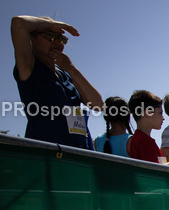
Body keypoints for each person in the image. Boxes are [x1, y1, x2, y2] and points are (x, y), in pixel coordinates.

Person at [10, 15, 104, 149]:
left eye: (62, 39)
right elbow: (18, 23)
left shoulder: (65, 73)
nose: (57, 43)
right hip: (49, 158)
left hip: (79, 156)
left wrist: (71, 69)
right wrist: (51, 23)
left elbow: (98, 105)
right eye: (50, 37)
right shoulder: (30, 68)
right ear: (32, 39)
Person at [125, 90, 169, 166]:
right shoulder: (143, 141)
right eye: (160, 113)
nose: (163, 118)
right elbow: (155, 171)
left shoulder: (140, 139)